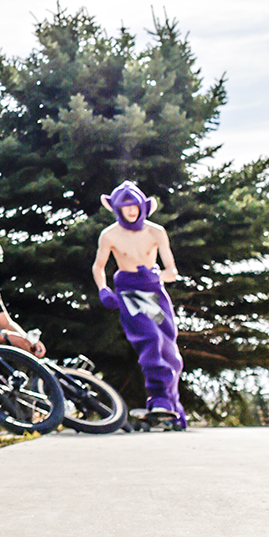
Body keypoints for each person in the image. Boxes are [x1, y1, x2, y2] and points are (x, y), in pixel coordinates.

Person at [92, 183, 186, 429]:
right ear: (117, 209)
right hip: (129, 291)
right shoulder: (109, 235)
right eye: (125, 207)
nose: (131, 211)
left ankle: (172, 406)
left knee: (169, 351)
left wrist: (155, 276)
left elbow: (172, 272)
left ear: (143, 207)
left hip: (153, 290)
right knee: (150, 339)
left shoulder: (156, 232)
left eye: (134, 206)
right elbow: (99, 267)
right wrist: (103, 289)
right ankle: (158, 397)